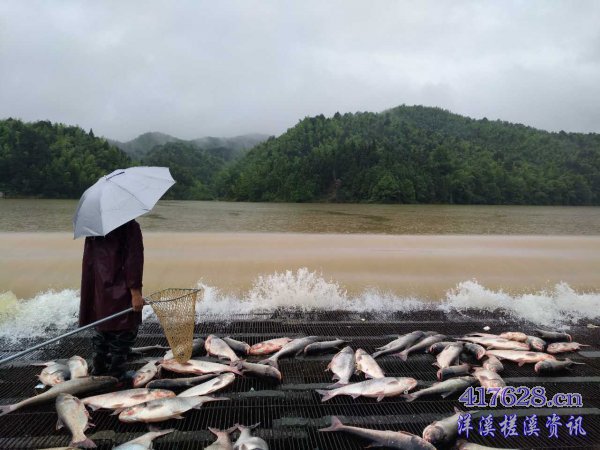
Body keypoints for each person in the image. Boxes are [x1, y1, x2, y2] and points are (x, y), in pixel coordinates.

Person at [79, 219, 144, 379]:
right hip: (121, 287)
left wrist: (92, 291)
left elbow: (89, 261)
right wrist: (135, 292)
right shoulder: (130, 226)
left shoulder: (94, 227)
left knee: (103, 326)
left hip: (99, 287)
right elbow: (133, 261)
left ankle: (99, 367)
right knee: (125, 329)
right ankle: (117, 374)